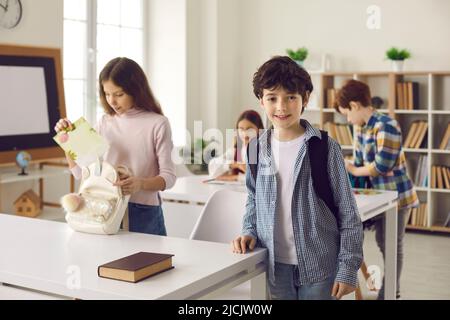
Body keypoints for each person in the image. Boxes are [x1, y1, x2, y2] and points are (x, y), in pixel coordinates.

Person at [231, 56, 363, 300]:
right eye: (272, 98)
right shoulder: (254, 149)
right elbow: (253, 197)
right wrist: (248, 230)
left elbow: (348, 212)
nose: (281, 107)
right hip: (273, 266)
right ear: (261, 100)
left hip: (320, 266)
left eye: (291, 97)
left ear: (305, 99)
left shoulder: (325, 147)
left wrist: (347, 268)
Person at [55, 57, 176, 236]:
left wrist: (140, 184)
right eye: (107, 94)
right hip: (104, 208)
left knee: (149, 263)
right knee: (104, 264)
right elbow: (81, 173)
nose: (112, 101)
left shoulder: (158, 124)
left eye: (119, 94)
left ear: (136, 90)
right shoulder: (104, 122)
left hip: (143, 212)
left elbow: (169, 177)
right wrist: (67, 139)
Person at [335, 79, 419, 299]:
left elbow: (381, 166)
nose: (347, 118)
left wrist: (352, 169)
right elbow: (361, 162)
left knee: (389, 244)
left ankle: (391, 291)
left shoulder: (386, 125)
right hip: (375, 196)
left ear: (354, 105)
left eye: (346, 113)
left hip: (396, 196)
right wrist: (351, 166)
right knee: (357, 238)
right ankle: (375, 287)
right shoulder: (361, 128)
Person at [208, 110, 264, 181]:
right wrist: (235, 164)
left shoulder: (265, 150)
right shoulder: (237, 150)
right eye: (241, 129)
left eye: (249, 129)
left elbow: (261, 179)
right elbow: (213, 166)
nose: (245, 134)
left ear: (259, 129)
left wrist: (236, 177)